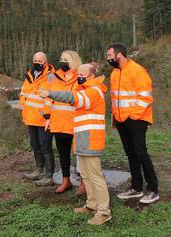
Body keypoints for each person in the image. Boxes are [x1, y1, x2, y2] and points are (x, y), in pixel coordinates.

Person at [39, 63, 111, 225]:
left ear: (91, 76)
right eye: (77, 73)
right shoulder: (85, 89)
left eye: (81, 74)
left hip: (91, 140)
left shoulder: (94, 91)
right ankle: (92, 205)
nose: (77, 75)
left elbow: (73, 98)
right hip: (82, 140)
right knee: (86, 175)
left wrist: (50, 94)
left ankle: (104, 212)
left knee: (95, 177)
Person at [107, 43, 159, 204]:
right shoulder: (115, 72)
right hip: (121, 120)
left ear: (119, 55)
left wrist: (133, 116)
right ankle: (136, 187)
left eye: (109, 56)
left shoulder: (137, 71)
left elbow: (145, 97)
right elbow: (115, 98)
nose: (108, 59)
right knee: (131, 154)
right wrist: (116, 118)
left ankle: (153, 189)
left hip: (136, 120)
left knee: (141, 153)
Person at [43, 50, 81, 192]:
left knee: (80, 154)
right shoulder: (53, 77)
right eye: (61, 58)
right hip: (58, 122)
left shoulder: (80, 77)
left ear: (74, 61)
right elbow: (47, 98)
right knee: (63, 153)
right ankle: (66, 181)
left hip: (75, 122)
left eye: (66, 59)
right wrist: (47, 117)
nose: (62, 61)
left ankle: (84, 183)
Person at [19, 52, 56, 184]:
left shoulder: (51, 77)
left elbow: (52, 97)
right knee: (35, 144)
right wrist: (23, 108)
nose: (37, 62)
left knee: (45, 146)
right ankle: (39, 169)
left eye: (40, 60)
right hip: (30, 117)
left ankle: (49, 175)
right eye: (35, 60)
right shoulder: (29, 76)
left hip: (43, 118)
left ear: (46, 62)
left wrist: (48, 115)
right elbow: (24, 93)